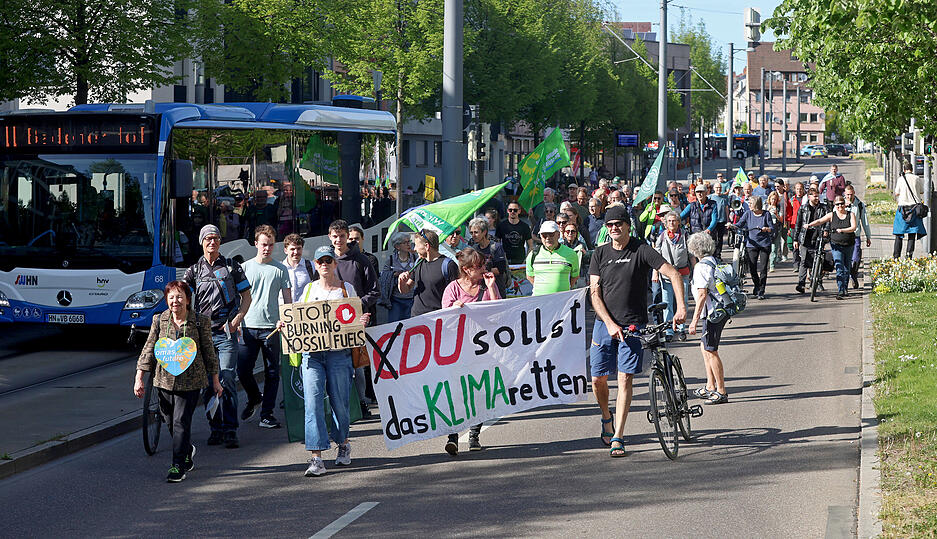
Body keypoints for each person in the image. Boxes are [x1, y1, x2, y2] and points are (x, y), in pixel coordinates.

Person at [589, 205, 686, 457]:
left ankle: (618, 436)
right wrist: (609, 323)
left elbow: (673, 274)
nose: (614, 228)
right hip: (603, 324)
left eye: (618, 224)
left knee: (624, 379)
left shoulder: (641, 250)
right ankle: (606, 417)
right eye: (610, 225)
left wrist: (680, 307)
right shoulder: (600, 253)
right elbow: (594, 293)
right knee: (598, 380)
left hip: (633, 325)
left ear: (628, 226)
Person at [134, 281, 222, 482]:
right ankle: (186, 450)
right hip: (163, 381)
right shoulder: (159, 320)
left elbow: (209, 352)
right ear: (167, 300)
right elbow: (149, 349)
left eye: (180, 296)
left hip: (190, 382)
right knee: (169, 420)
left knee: (180, 422)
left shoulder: (199, 321)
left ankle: (177, 466)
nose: (176, 301)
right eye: (172, 297)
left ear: (188, 300)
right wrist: (139, 378)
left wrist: (216, 381)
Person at [298, 246, 372, 477]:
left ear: (335, 264)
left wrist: (361, 321)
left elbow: (353, 318)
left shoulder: (346, 289)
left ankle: (343, 442)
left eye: (328, 260)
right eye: (320, 261)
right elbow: (297, 319)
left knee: (340, 403)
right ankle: (316, 457)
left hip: (339, 354)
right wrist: (286, 325)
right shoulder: (308, 290)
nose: (324, 264)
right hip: (312, 356)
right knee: (312, 404)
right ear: (315, 264)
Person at [183, 224, 252, 449]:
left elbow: (247, 297)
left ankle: (230, 429)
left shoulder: (232, 266)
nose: (212, 242)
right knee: (207, 384)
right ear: (201, 242)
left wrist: (236, 320)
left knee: (226, 378)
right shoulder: (194, 271)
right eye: (208, 239)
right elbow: (182, 298)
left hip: (226, 334)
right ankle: (216, 428)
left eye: (215, 238)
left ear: (220, 242)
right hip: (203, 335)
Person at [440, 248, 501, 452]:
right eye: (479, 266)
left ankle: (474, 435)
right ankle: (453, 436)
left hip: (483, 349)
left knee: (479, 392)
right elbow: (443, 318)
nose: (484, 269)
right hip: (458, 349)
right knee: (457, 393)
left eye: (484, 265)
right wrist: (454, 308)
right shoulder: (452, 288)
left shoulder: (487, 286)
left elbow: (498, 313)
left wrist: (491, 288)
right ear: (466, 269)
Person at [237, 225, 291, 429]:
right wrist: (237, 320)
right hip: (248, 326)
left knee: (272, 372)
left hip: (272, 328)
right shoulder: (244, 268)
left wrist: (285, 319)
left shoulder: (280, 269)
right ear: (255, 244)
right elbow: (237, 298)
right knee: (243, 371)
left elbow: (287, 300)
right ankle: (254, 397)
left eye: (270, 245)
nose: (267, 248)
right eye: (263, 245)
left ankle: (267, 414)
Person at [327, 220, 381, 418]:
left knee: (358, 366)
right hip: (331, 323)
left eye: (342, 236)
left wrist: (356, 305)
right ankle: (337, 406)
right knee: (334, 365)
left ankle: (361, 402)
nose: (339, 240)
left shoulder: (361, 260)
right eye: (335, 236)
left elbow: (375, 291)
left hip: (356, 321)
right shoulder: (325, 260)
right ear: (329, 237)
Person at [685, 232, 729, 405]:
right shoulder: (713, 261)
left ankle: (721, 391)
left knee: (711, 350)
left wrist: (694, 321)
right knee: (704, 347)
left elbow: (702, 294)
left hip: (712, 313)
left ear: (694, 249)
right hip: (719, 309)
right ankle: (710, 385)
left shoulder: (701, 267)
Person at [398, 229, 460, 318]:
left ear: (427, 246)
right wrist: (401, 282)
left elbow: (457, 293)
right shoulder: (418, 262)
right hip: (416, 317)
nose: (414, 249)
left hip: (438, 318)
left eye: (416, 245)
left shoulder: (448, 265)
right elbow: (405, 290)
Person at [805, 195, 857, 299]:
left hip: (849, 244)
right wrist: (810, 225)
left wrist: (842, 230)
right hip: (836, 245)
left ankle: (845, 287)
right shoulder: (832, 215)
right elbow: (820, 221)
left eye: (842, 204)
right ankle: (841, 290)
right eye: (837, 204)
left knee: (847, 267)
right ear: (834, 205)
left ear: (845, 204)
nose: (840, 206)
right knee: (839, 266)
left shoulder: (850, 214)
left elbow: (853, 227)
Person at [654, 211, 692, 339]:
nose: (671, 223)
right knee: (667, 303)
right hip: (666, 276)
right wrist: (655, 273)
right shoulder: (662, 236)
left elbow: (691, 254)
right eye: (669, 221)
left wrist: (696, 268)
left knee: (683, 301)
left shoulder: (685, 235)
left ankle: (681, 329)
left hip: (682, 274)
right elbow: (656, 256)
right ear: (665, 224)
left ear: (679, 222)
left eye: (674, 220)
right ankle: (669, 330)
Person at [730, 196, 775, 299]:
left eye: (751, 203)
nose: (749, 205)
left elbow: (772, 228)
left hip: (764, 244)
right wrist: (732, 226)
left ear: (756, 204)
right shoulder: (748, 214)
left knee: (763, 268)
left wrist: (766, 229)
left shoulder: (766, 214)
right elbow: (740, 224)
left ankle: (761, 290)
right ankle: (757, 285)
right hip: (752, 244)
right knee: (752, 267)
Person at [526, 221, 579, 295]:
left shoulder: (571, 254)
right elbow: (529, 276)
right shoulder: (533, 254)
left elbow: (575, 276)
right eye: (544, 235)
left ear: (558, 235)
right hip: (538, 299)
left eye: (551, 234)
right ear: (540, 236)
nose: (548, 238)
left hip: (563, 299)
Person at [467, 217, 508, 298]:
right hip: (479, 290)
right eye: (471, 233)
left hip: (496, 288)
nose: (473, 235)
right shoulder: (473, 248)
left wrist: (481, 271)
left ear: (484, 232)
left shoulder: (496, 247)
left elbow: (500, 269)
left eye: (476, 232)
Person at [893, 162, 927, 259]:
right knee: (912, 233)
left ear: (904, 170)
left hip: (902, 209)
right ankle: (909, 256)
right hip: (915, 208)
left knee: (899, 233)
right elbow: (921, 191)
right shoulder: (917, 178)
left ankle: (896, 257)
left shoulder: (901, 179)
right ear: (912, 169)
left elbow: (896, 193)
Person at [383, 231, 417, 322]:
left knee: (410, 325)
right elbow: (384, 276)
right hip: (396, 300)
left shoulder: (415, 258)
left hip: (412, 298)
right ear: (397, 246)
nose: (408, 244)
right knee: (394, 325)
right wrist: (395, 274)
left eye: (409, 241)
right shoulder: (391, 259)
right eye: (405, 242)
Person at [844, 185, 872, 288]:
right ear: (844, 194)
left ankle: (853, 275)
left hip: (855, 235)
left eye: (851, 194)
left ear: (854, 193)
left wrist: (868, 236)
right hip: (843, 236)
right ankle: (845, 280)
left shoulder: (859, 205)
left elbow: (865, 221)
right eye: (847, 195)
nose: (849, 197)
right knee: (845, 259)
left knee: (856, 258)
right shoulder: (840, 204)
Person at [496, 201, 533, 265]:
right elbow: (497, 244)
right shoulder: (501, 225)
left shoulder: (525, 226)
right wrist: (501, 258)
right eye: (510, 210)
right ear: (507, 211)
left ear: (519, 211)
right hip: (505, 260)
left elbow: (530, 245)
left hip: (520, 261)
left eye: (515, 210)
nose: (512, 212)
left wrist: (527, 260)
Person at [283, 234, 314, 303]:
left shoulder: (311, 266)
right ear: (285, 250)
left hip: (305, 308)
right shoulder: (279, 269)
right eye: (292, 249)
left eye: (299, 248)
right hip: (284, 308)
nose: (296, 252)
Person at [788, 182, 806, 269]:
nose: (799, 190)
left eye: (801, 189)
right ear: (795, 190)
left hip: (804, 225)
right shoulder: (791, 200)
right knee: (795, 245)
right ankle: (796, 264)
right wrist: (788, 228)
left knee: (804, 244)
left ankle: (804, 263)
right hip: (794, 225)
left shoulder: (806, 199)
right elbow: (789, 215)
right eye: (797, 189)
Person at [711, 181, 729, 258]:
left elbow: (726, 209)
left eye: (720, 188)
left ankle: (718, 254)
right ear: (714, 188)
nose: (718, 189)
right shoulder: (710, 197)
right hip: (713, 221)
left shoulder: (724, 198)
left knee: (720, 238)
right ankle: (713, 254)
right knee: (713, 238)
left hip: (722, 220)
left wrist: (728, 220)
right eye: (717, 188)